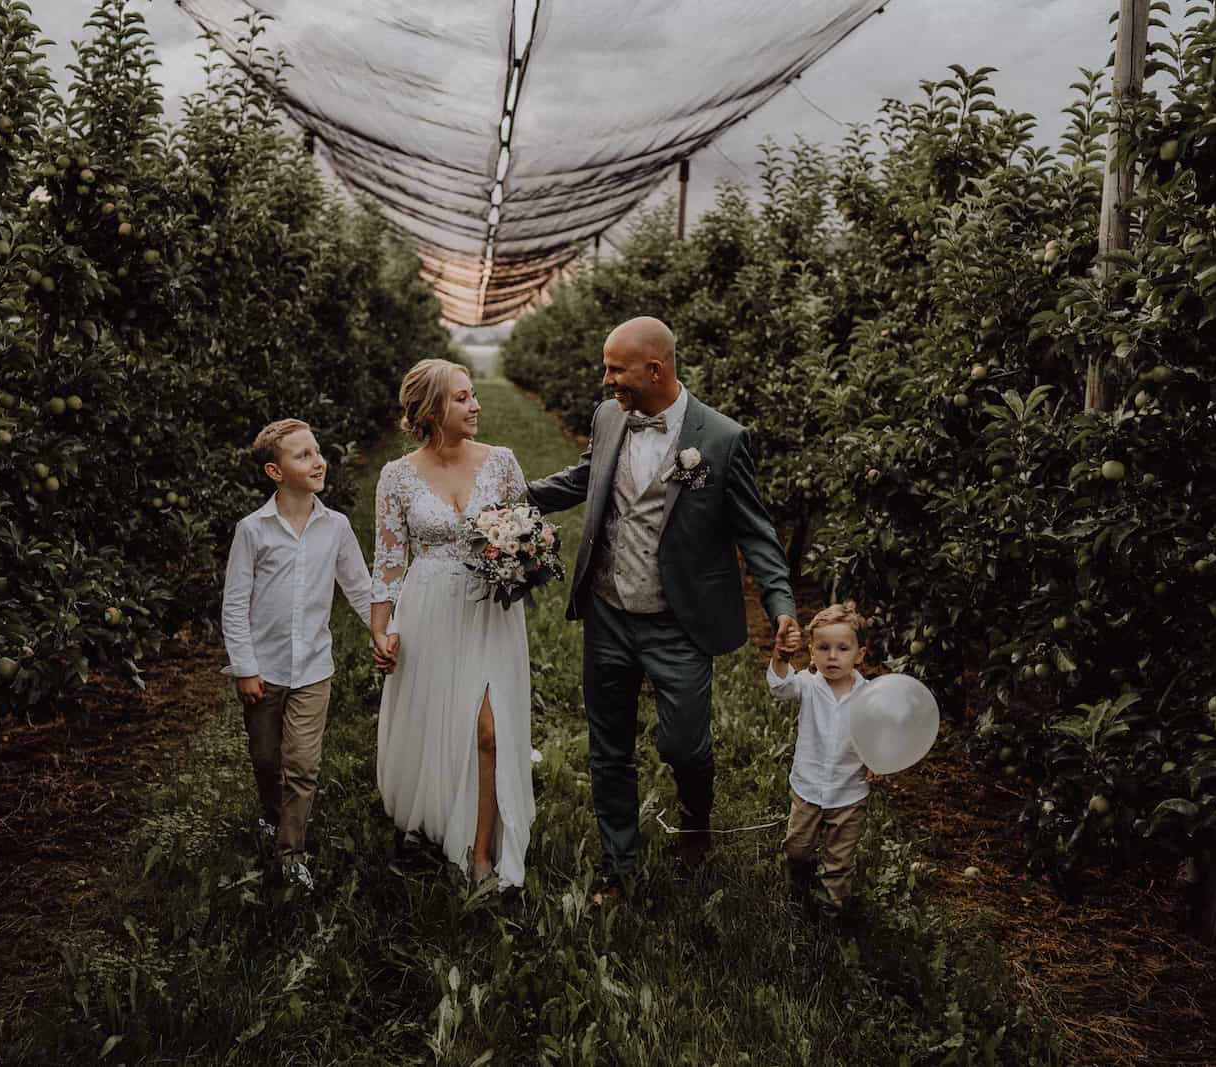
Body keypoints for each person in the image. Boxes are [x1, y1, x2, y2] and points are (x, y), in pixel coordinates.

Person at [527, 316, 801, 903]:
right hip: (608, 612)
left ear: (655, 369)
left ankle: (695, 818)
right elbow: (586, 478)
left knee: (684, 745)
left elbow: (756, 534)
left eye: (615, 369)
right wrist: (507, 494)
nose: (607, 381)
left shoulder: (722, 440)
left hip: (679, 622)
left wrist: (781, 606)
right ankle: (617, 867)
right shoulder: (608, 418)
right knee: (609, 744)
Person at [372, 359, 536, 887]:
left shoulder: (503, 463)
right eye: (463, 398)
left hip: (489, 610)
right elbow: (390, 560)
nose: (476, 405)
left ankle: (483, 853)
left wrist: (525, 559)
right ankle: (443, 819)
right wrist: (382, 628)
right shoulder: (396, 477)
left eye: (473, 396)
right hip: (428, 610)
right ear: (433, 409)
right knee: (440, 722)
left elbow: (523, 532)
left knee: (487, 730)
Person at [220, 418, 388, 889]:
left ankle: (291, 852)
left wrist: (384, 632)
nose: (318, 461)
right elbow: (235, 604)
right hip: (264, 670)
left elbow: (359, 588)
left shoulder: (334, 527)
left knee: (303, 765)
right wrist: (245, 668)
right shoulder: (253, 531)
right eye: (304, 455)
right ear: (276, 471)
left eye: (317, 451)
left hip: (314, 667)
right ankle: (271, 814)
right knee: (265, 758)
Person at [768, 601, 871, 913]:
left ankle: (833, 906)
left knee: (840, 857)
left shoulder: (869, 696)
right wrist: (781, 658)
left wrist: (879, 762)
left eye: (842, 648)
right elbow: (780, 687)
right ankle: (798, 885)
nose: (832, 656)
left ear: (860, 655)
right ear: (811, 652)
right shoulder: (808, 686)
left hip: (850, 793)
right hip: (808, 788)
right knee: (797, 849)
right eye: (823, 648)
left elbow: (879, 736)